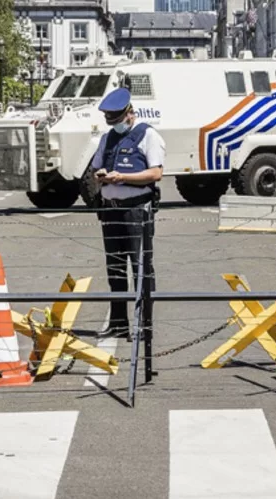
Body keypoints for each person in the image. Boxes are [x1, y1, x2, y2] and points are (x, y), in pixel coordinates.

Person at [90, 87, 165, 340]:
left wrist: (123, 177)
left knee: (141, 268)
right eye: (111, 121)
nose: (115, 125)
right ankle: (119, 323)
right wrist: (100, 176)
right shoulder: (107, 138)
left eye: (118, 120)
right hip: (110, 211)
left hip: (136, 211)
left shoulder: (148, 135)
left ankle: (144, 325)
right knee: (116, 269)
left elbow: (155, 173)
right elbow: (95, 168)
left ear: (130, 114)